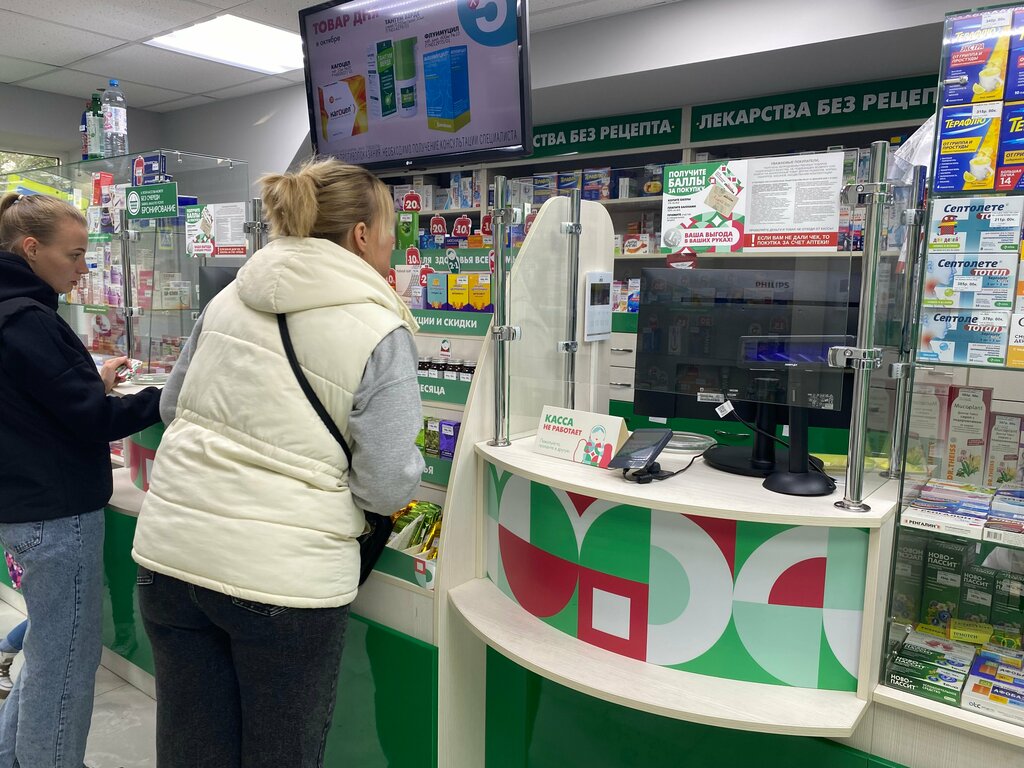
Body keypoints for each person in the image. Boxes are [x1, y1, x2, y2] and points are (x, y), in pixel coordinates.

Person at [132, 157, 424, 768]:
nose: (394, 243)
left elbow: (170, 407)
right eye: (391, 227)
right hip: (283, 583)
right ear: (362, 235)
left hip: (171, 558)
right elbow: (385, 483)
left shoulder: (227, 299)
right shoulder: (380, 327)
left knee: (190, 748)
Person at [0, 192, 161, 767]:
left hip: (24, 507)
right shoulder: (29, 319)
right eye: (74, 255)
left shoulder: (13, 311)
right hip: (55, 514)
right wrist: (165, 397)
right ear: (31, 248)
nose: (84, 268)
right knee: (65, 662)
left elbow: (35, 400)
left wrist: (90, 381)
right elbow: (92, 420)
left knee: (48, 650)